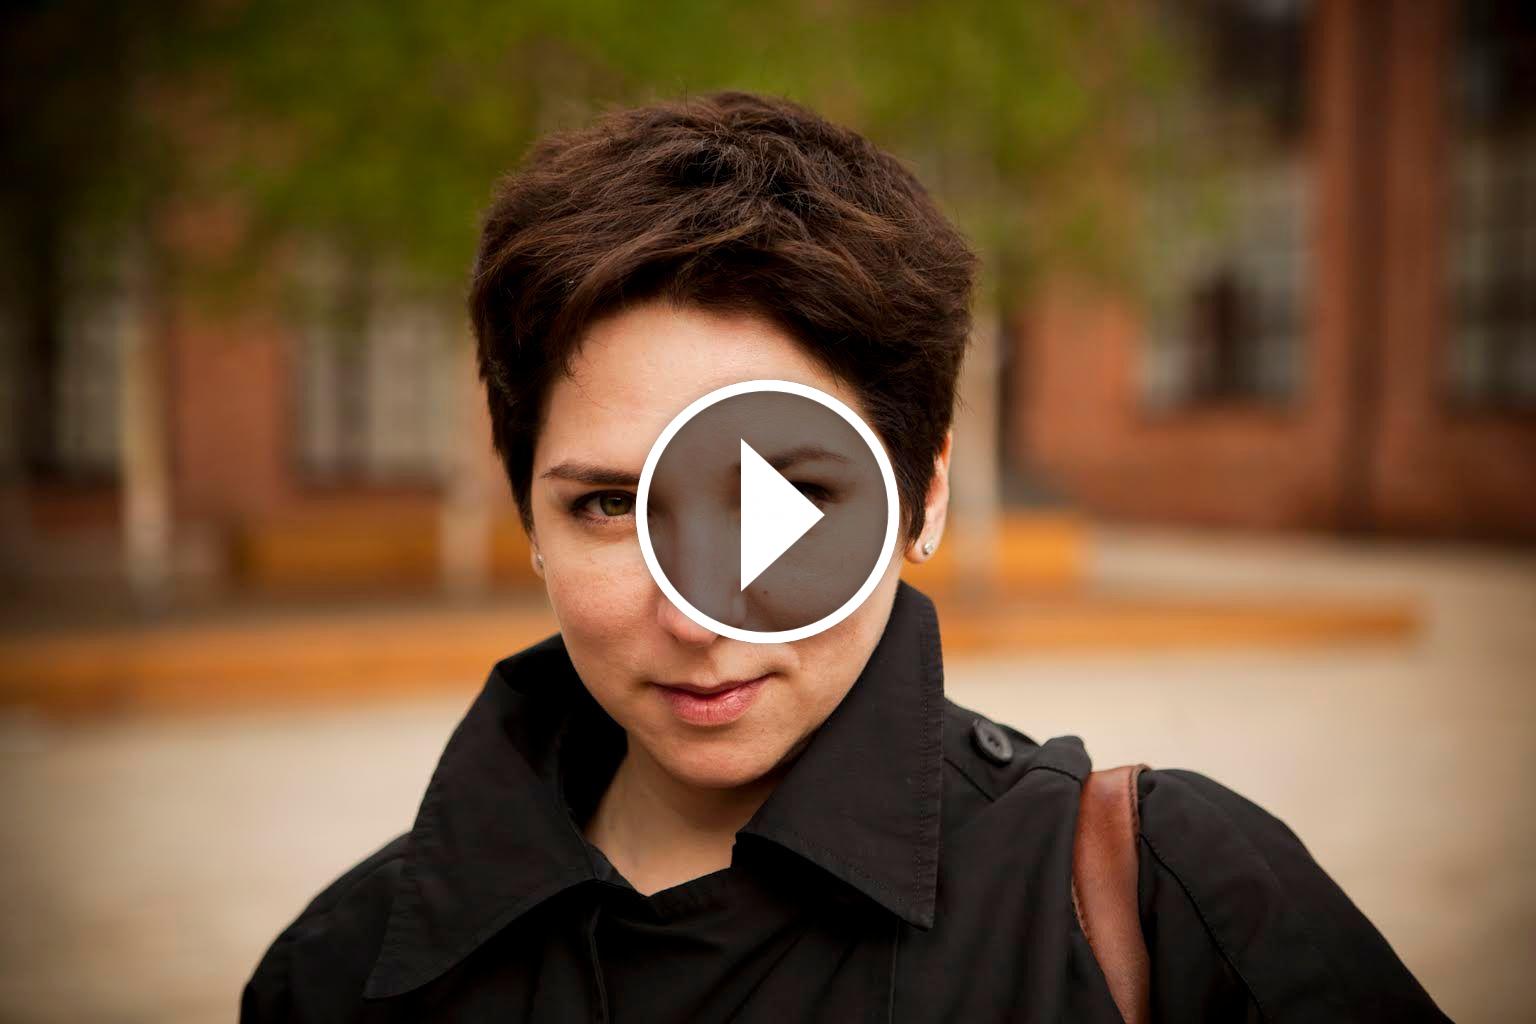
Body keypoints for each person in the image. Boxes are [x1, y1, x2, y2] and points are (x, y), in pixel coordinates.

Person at [241, 91, 1448, 1022]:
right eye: (610, 504)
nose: (698, 614)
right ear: (529, 521)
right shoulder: (339, 973)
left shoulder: (1164, 904)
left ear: (924, 497)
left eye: (792, 497)